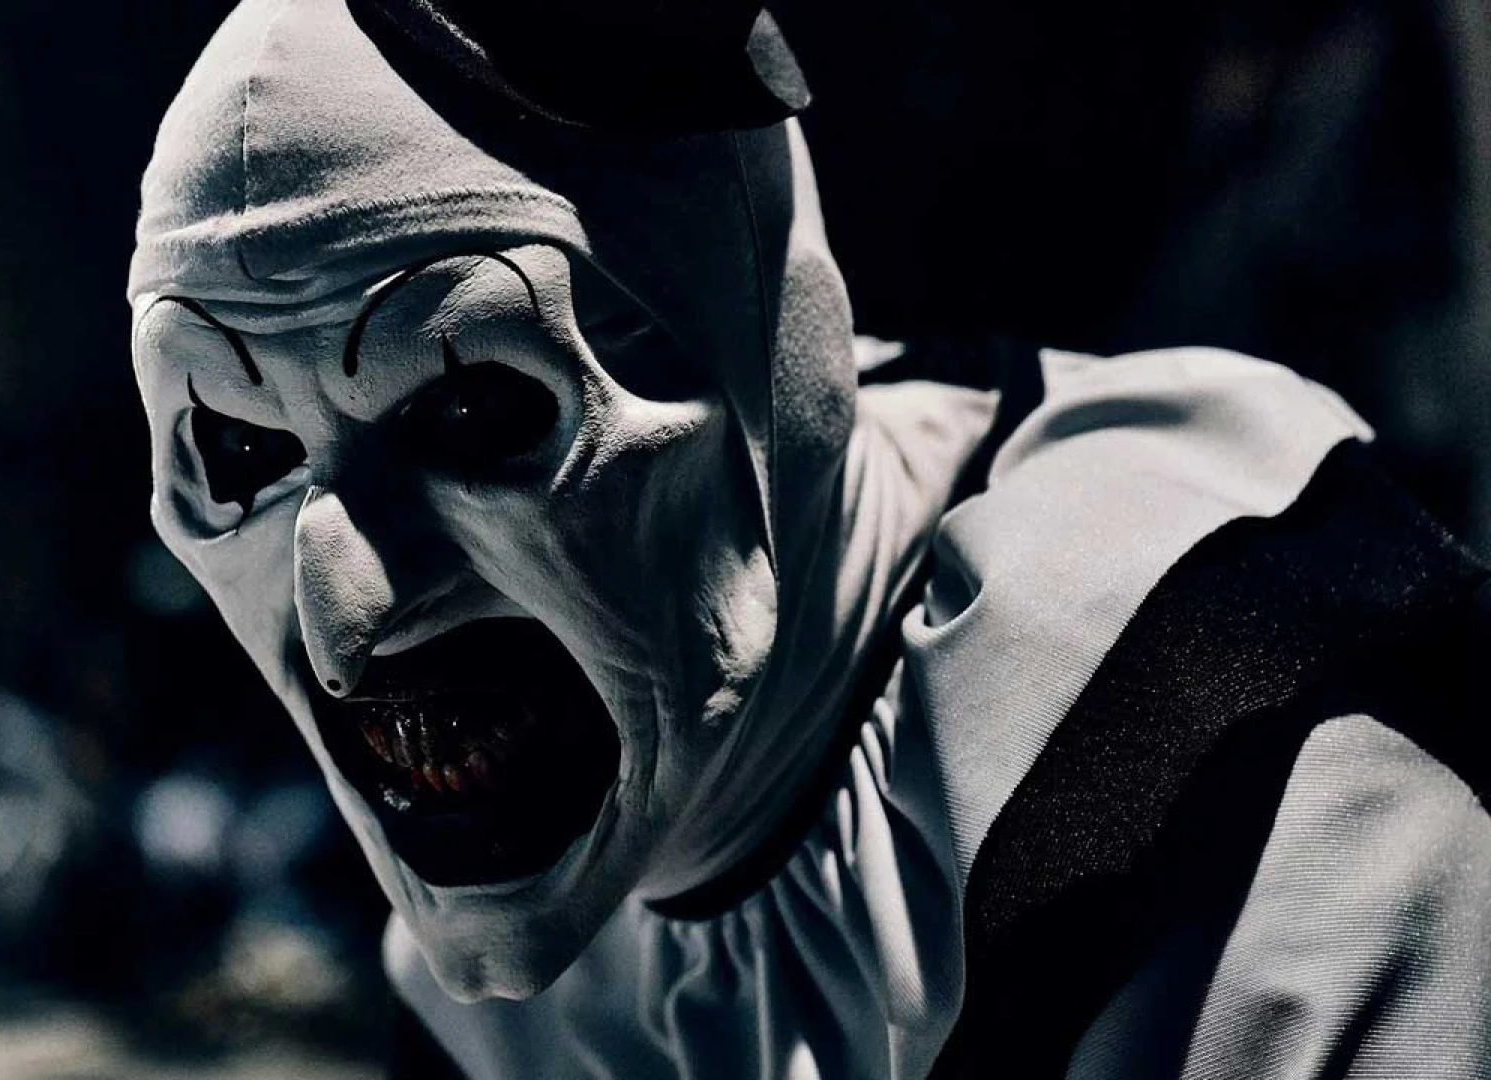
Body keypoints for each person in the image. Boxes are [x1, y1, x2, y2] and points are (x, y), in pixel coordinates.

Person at [124, 0, 1491, 1075]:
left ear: (767, 371)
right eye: (238, 452)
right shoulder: (503, 990)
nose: (346, 619)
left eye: (474, 407)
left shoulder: (1202, 739)